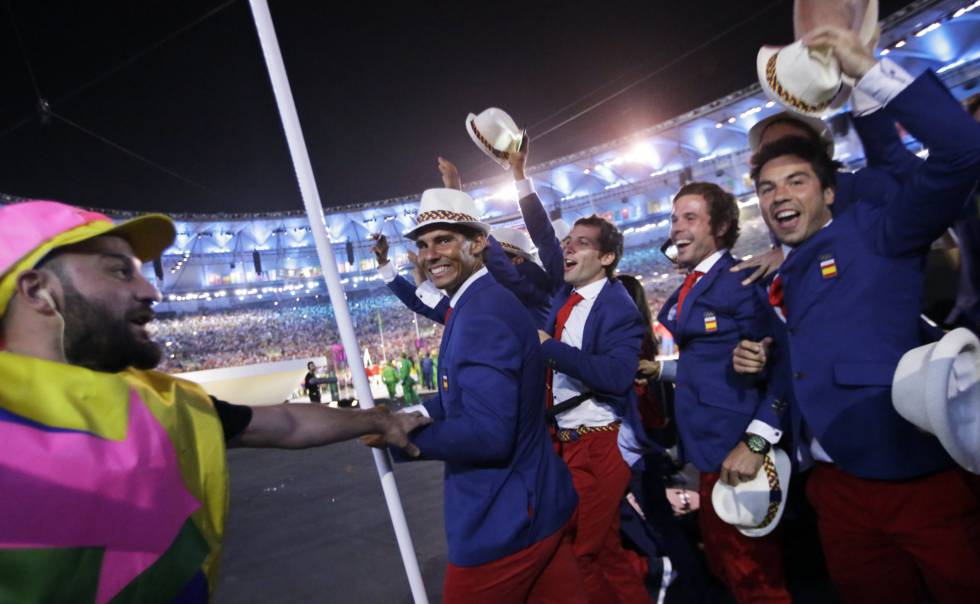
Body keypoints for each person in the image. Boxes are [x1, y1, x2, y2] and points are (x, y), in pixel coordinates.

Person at [0, 200, 430, 603]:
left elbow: (285, 423)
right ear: (37, 290)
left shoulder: (162, 403)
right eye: (118, 272)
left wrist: (377, 420)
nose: (152, 290)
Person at [739, 25, 980, 602]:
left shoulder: (881, 230)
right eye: (767, 187)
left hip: (916, 477)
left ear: (830, 190)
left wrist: (867, 68)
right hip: (836, 488)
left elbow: (962, 151)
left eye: (796, 180)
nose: (779, 196)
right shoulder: (787, 268)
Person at [367, 187, 583, 603]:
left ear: (479, 242)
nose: (430, 254)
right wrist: (406, 413)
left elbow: (488, 434)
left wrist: (402, 435)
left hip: (504, 520)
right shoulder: (475, 304)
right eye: (423, 244)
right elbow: (459, 399)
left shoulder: (482, 313)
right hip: (538, 507)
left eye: (444, 239)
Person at [509, 136, 652, 603]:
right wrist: (517, 177)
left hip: (600, 444)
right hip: (566, 444)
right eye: (569, 242)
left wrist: (548, 348)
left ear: (607, 258)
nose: (568, 249)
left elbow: (614, 377)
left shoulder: (618, 308)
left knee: (584, 552)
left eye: (582, 244)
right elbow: (543, 236)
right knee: (605, 549)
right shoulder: (565, 295)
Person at [656, 183, 790, 603]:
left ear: (723, 226)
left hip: (739, 451)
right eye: (675, 218)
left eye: (690, 218)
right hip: (709, 449)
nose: (677, 227)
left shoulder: (741, 279)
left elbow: (786, 364)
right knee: (725, 566)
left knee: (753, 576)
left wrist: (757, 439)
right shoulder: (696, 282)